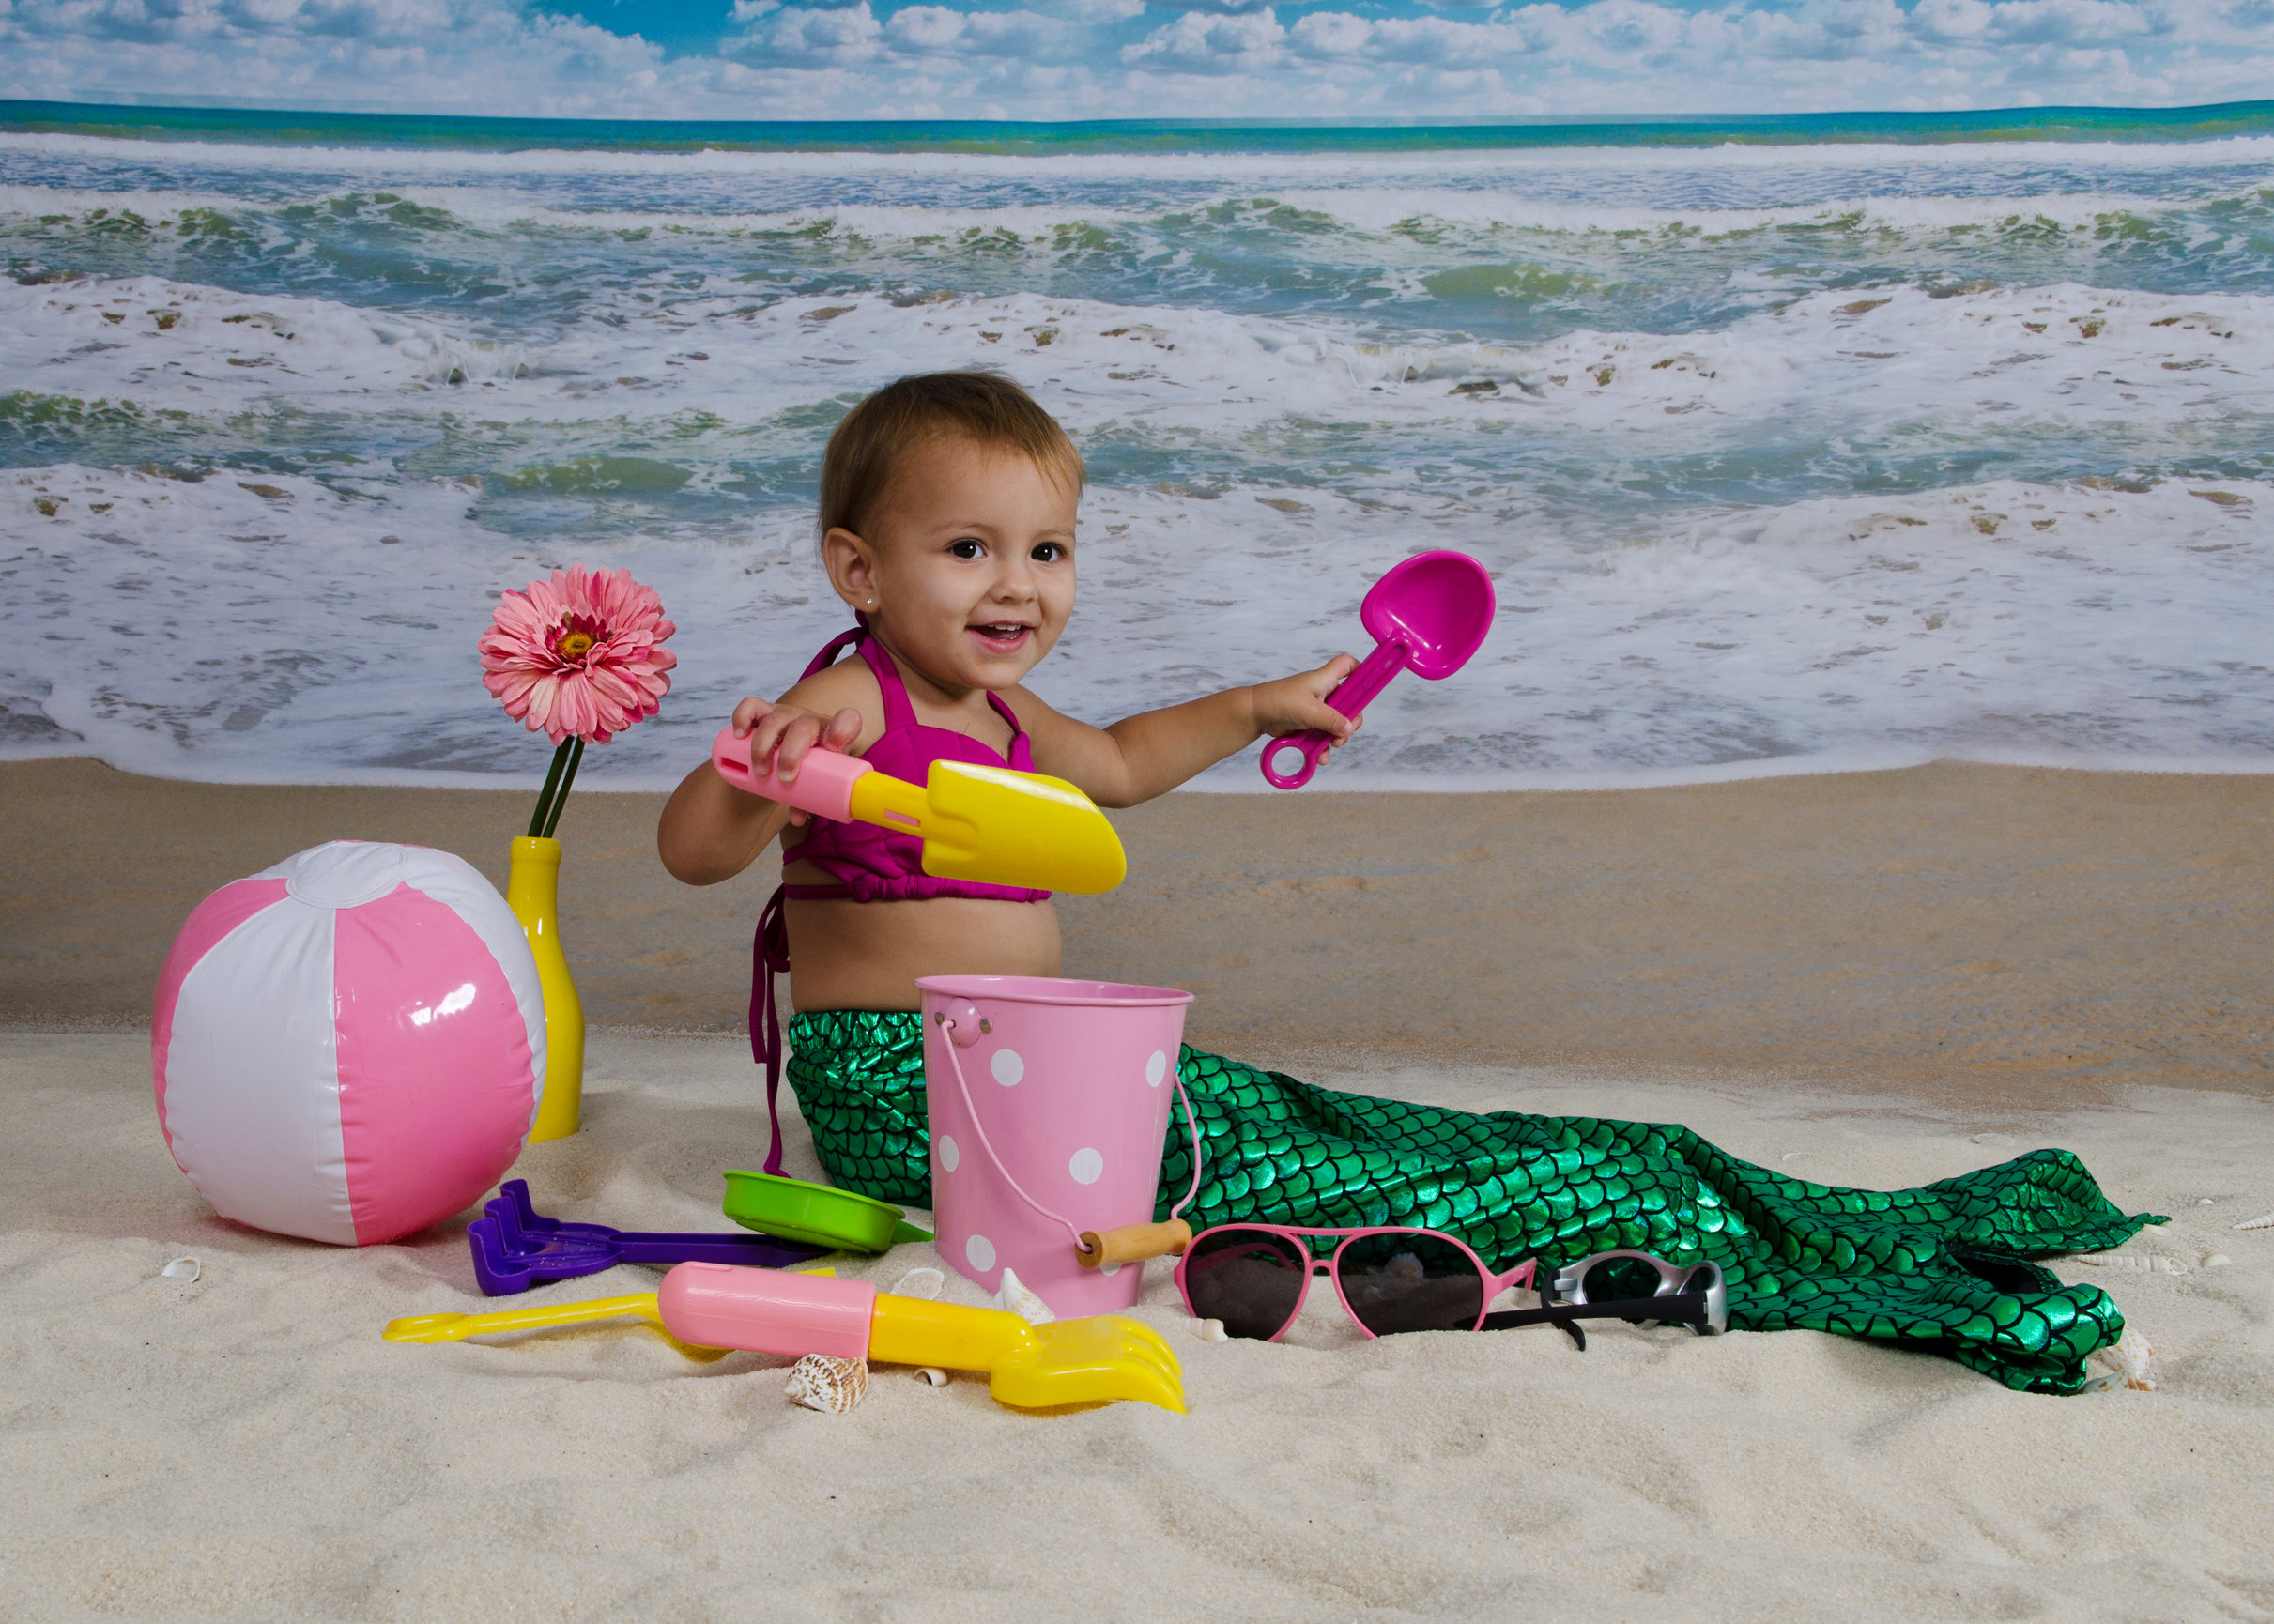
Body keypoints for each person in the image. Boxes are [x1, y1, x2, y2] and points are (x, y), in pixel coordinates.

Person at [659, 370, 2156, 1394]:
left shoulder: (998, 714)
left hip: (1045, 1071)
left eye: (1047, 548)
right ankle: (1690, 1221)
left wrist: (1254, 708)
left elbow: (1108, 766)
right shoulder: (851, 700)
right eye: (968, 546)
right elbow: (695, 852)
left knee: (1336, 1122)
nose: (1018, 585)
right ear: (860, 571)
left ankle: (1698, 1186)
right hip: (916, 1091)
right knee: (1391, 1177)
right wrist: (750, 767)